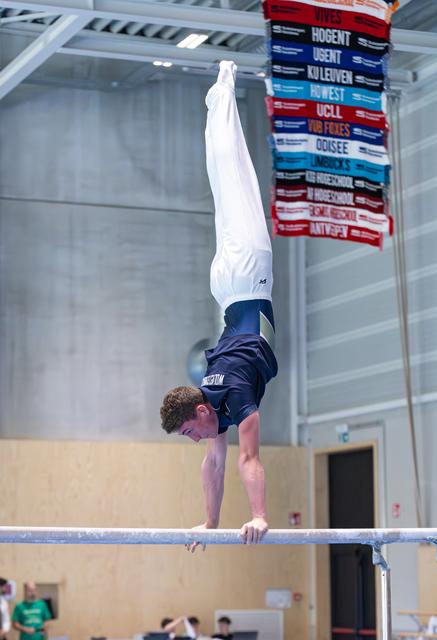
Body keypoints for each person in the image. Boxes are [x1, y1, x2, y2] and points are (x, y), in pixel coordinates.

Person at [160, 60, 277, 549]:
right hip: (231, 285)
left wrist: (259, 516)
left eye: (189, 430)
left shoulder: (231, 396)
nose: (195, 439)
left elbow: (248, 459)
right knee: (225, 183)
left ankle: (223, 86)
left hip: (248, 276)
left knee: (232, 179)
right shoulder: (219, 404)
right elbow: (219, 463)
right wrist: (210, 523)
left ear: (202, 409)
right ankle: (219, 98)